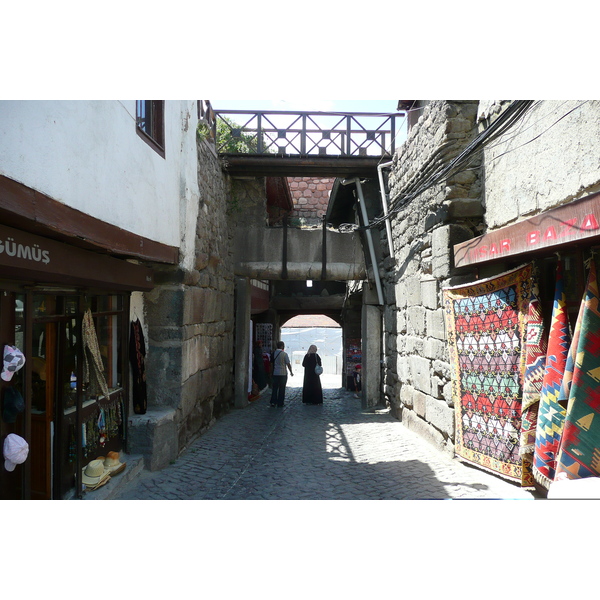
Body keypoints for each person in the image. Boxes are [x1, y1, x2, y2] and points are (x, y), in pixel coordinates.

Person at [270, 341, 293, 407]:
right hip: (283, 373)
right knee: (282, 388)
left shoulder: (273, 353)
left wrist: (271, 372)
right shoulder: (284, 354)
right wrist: (291, 372)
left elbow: (271, 364)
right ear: (282, 346)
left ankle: (273, 402)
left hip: (275, 373)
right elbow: (288, 364)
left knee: (275, 388)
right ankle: (280, 402)